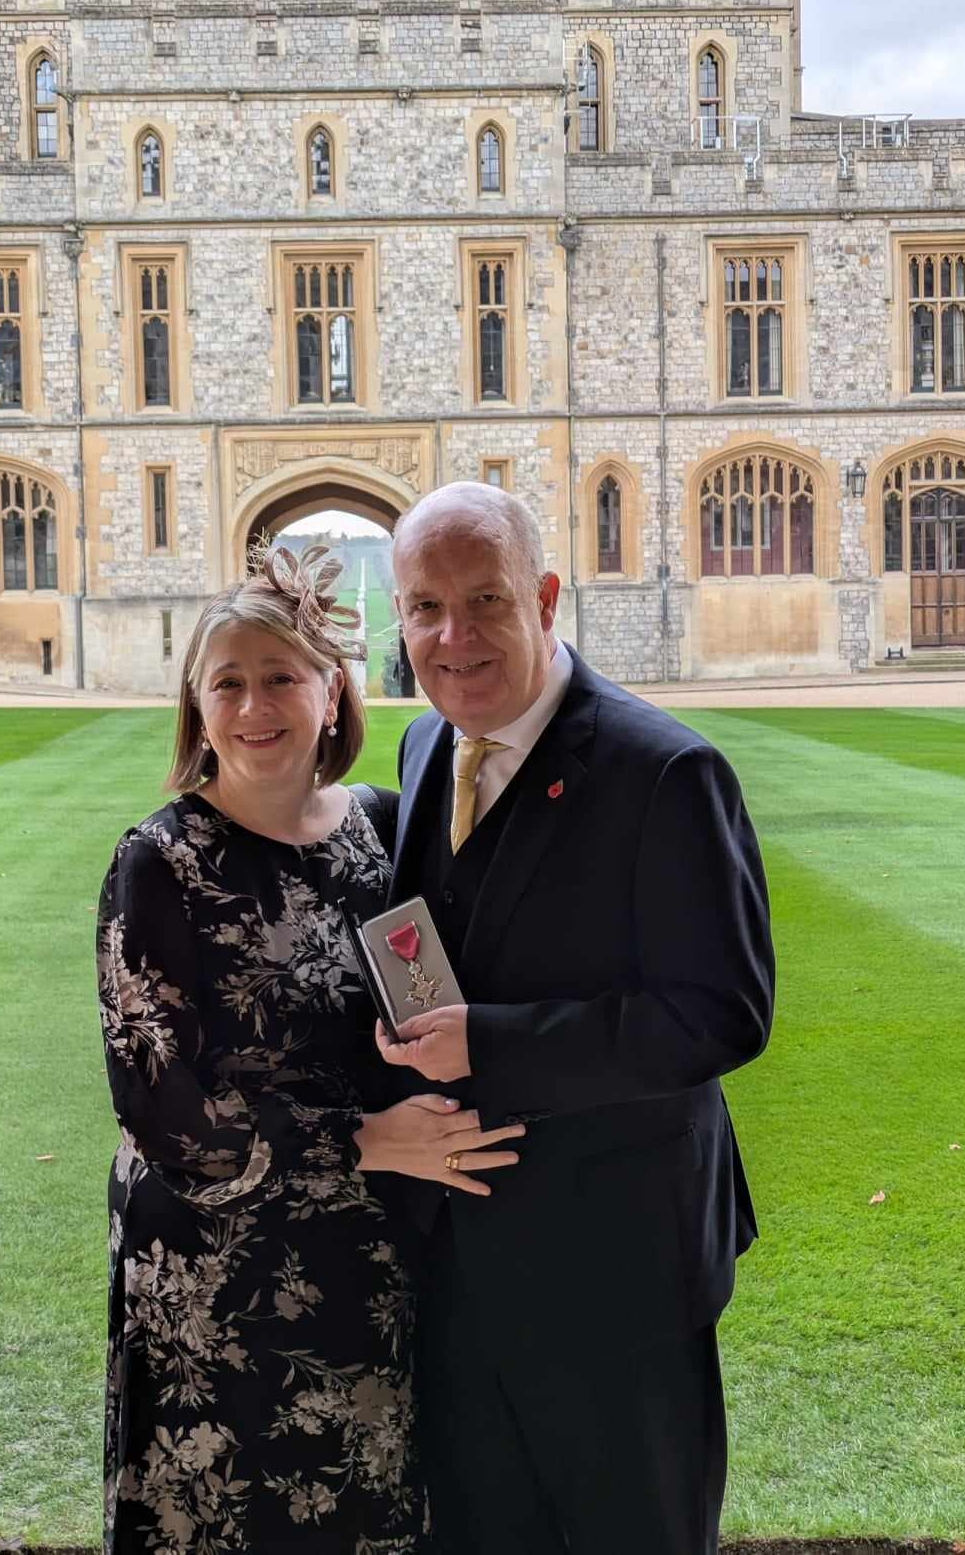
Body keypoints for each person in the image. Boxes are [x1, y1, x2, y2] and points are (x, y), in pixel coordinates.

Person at [95, 543, 525, 1555]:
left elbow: (425, 1008)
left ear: (332, 693)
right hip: (210, 1268)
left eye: (281, 677)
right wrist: (365, 1139)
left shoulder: (379, 827)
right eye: (228, 683)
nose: (256, 706)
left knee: (365, 1511)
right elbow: (159, 1106)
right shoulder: (160, 862)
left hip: (363, 1256)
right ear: (197, 709)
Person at [377, 483, 775, 1555]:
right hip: (461, 1267)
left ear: (545, 598)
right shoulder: (421, 748)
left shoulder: (666, 772)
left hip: (617, 1278)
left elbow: (722, 1015)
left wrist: (489, 1047)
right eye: (423, 608)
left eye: (483, 602)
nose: (451, 636)